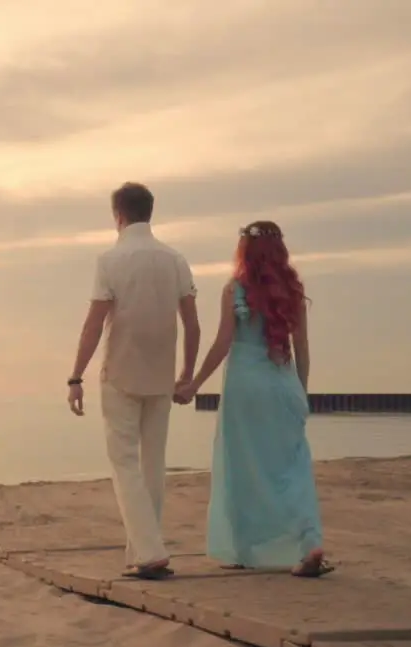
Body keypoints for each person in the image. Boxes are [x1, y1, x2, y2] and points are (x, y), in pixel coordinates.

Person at [174, 221, 332, 578]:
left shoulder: (235, 290)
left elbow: (222, 343)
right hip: (282, 384)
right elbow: (302, 348)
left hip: (245, 388)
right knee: (292, 467)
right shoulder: (292, 291)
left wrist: (194, 383)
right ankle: (309, 540)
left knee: (243, 468)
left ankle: (246, 550)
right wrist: (301, 393)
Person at [67, 182, 200, 580]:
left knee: (124, 463)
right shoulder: (175, 259)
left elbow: (94, 323)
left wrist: (75, 376)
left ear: (118, 215)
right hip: (161, 375)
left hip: (121, 372)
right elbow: (192, 325)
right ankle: (142, 550)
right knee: (152, 464)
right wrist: (187, 374)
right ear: (150, 212)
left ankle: (149, 551)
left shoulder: (110, 260)